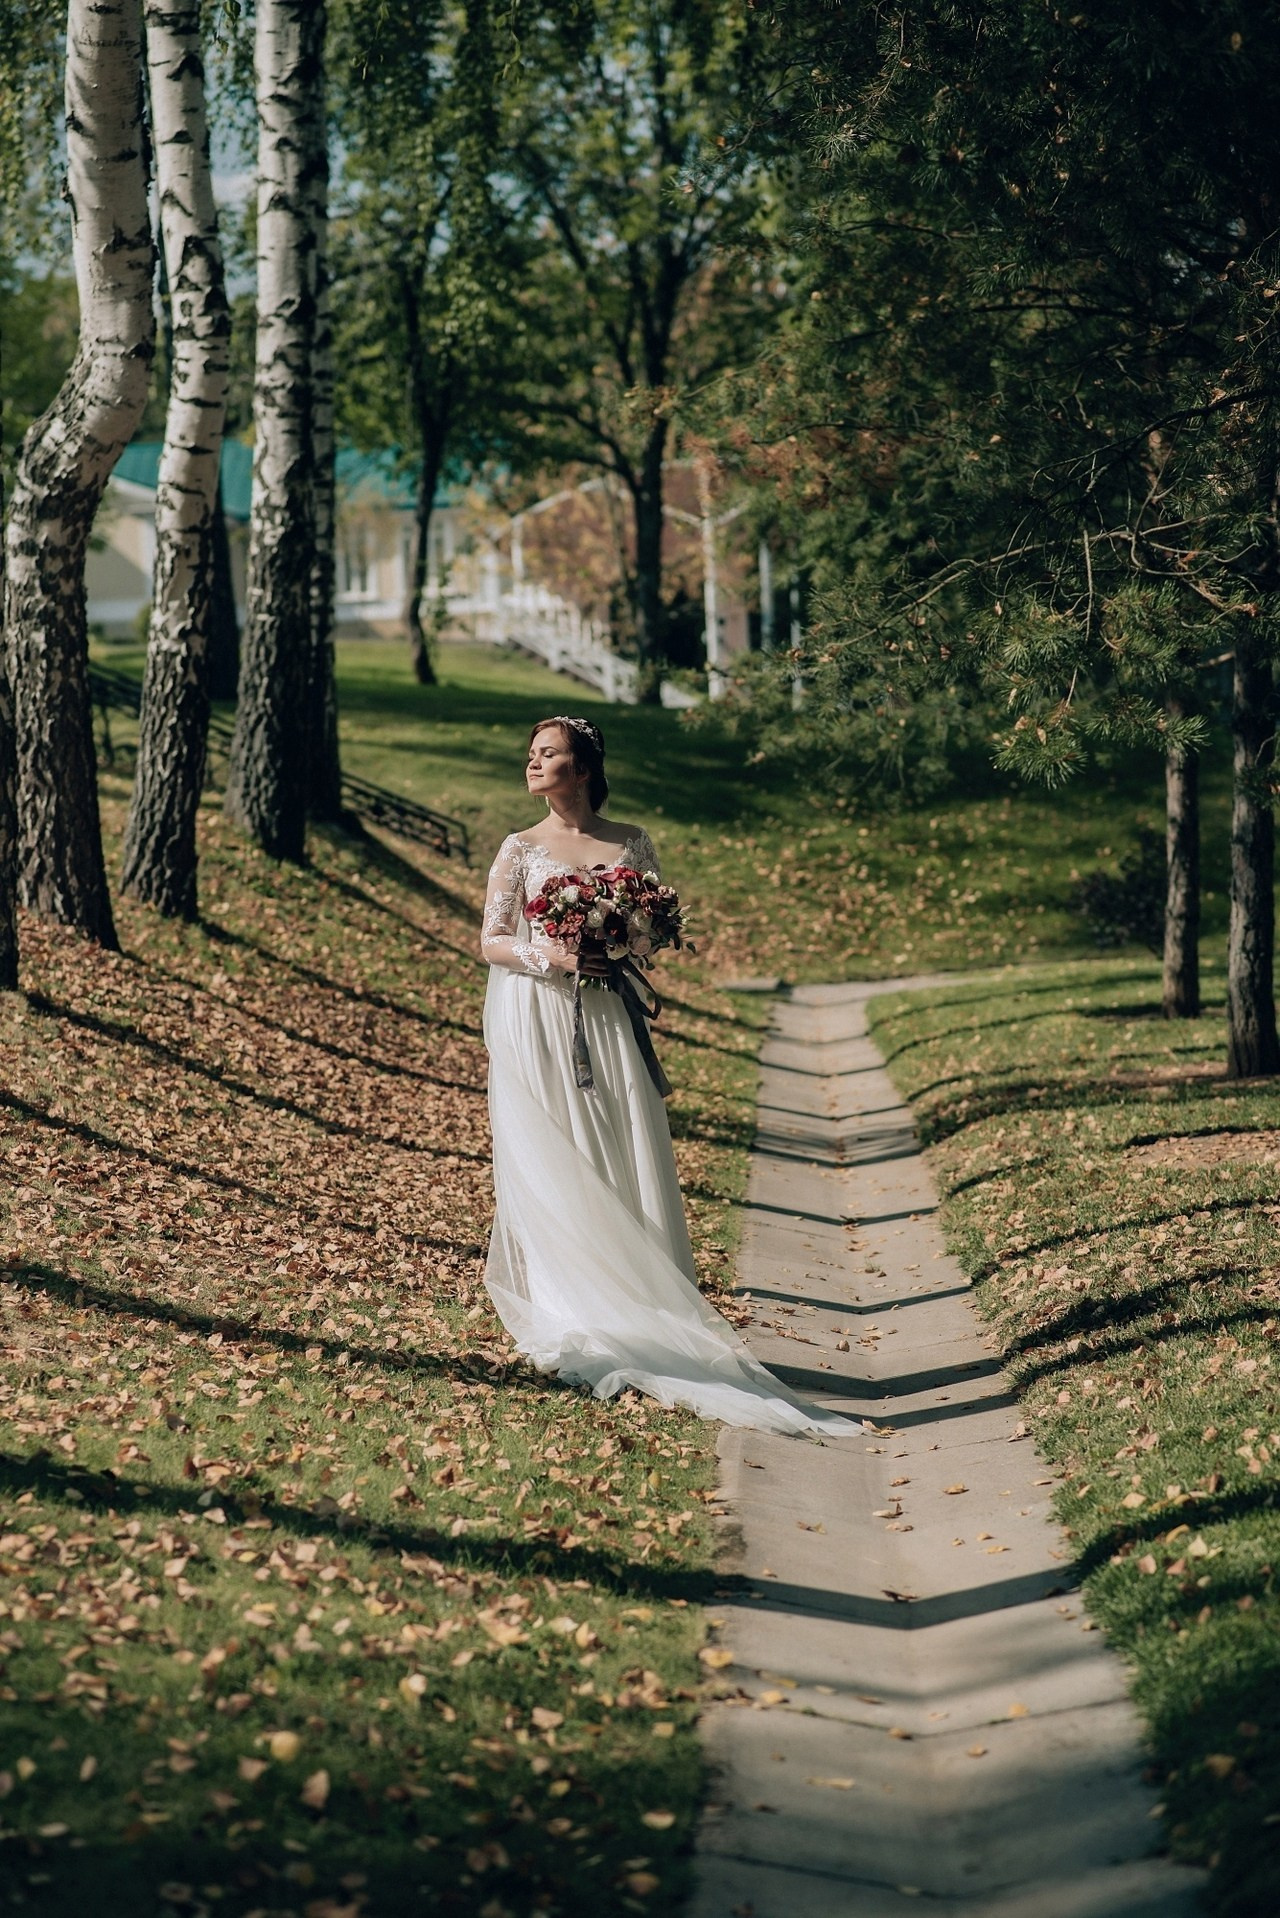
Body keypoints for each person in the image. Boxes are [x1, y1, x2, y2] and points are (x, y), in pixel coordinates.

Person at [479, 714, 858, 1438]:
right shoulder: (518, 848)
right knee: (557, 1147)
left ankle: (640, 1291)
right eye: (530, 753)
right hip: (538, 1013)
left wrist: (624, 937)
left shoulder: (632, 843)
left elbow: (652, 932)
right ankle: (573, 1301)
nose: (533, 762)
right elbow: (492, 940)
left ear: (582, 768)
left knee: (620, 1138)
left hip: (607, 1013)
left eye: (548, 753)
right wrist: (554, 955)